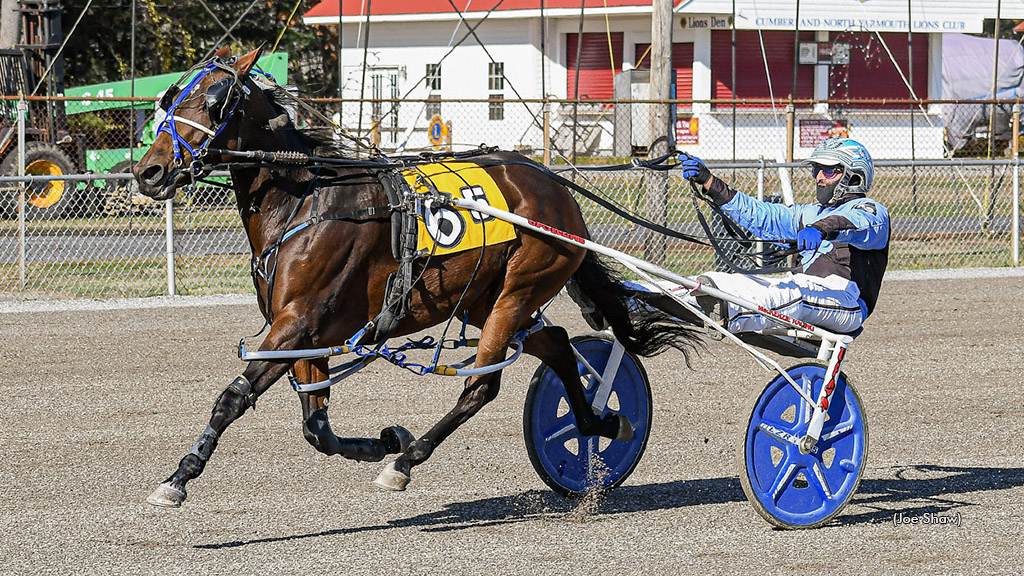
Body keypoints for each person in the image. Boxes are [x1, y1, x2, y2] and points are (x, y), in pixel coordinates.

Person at [678, 137, 890, 335]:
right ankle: (656, 299)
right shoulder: (808, 213)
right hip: (805, 290)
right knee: (720, 281)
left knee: (793, 295)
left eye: (829, 171)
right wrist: (708, 181)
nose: (818, 177)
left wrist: (819, 229)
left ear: (854, 176)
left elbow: (854, 223)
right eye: (816, 169)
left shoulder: (872, 210)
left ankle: (726, 314)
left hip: (846, 302)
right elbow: (760, 214)